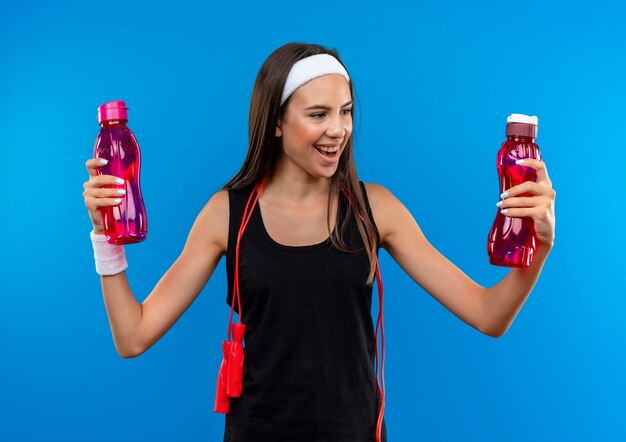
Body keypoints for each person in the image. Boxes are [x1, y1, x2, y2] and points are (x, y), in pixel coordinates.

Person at [82, 42, 556, 442]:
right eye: (318, 114)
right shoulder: (225, 214)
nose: (338, 130)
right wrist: (108, 237)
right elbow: (133, 335)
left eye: (346, 111)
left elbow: (490, 316)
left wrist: (541, 247)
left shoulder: (377, 209)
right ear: (276, 122)